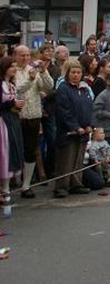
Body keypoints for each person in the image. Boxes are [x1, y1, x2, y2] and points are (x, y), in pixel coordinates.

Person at [14, 44, 53, 198]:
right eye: (22, 55)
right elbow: (16, 90)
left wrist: (43, 72)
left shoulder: (34, 71)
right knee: (13, 151)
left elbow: (48, 86)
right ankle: (9, 183)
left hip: (33, 116)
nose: (25, 58)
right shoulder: (12, 71)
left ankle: (26, 185)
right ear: (15, 56)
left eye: (27, 55)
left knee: (31, 151)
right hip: (17, 117)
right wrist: (30, 80)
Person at [52, 59, 93, 197]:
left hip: (83, 130)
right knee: (66, 160)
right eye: (73, 72)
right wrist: (75, 126)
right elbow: (64, 110)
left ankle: (76, 184)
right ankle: (61, 186)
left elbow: (89, 108)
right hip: (68, 131)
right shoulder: (63, 88)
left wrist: (89, 125)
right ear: (68, 73)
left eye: (78, 72)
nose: (76, 75)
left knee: (78, 159)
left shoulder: (84, 88)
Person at [1, 55, 26, 205]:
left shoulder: (11, 85)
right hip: (2, 121)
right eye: (11, 66)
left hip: (12, 120)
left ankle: (6, 187)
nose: (14, 69)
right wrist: (12, 103)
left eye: (15, 66)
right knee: (4, 152)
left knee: (11, 152)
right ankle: (4, 189)